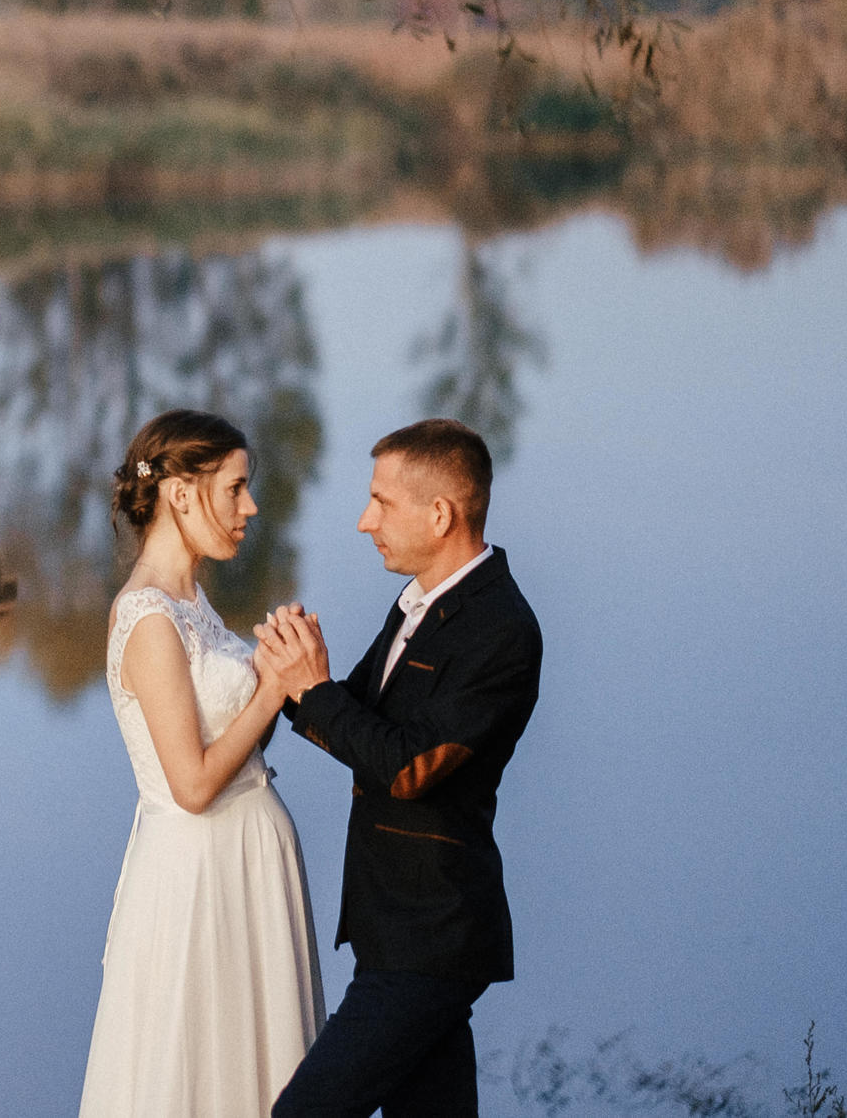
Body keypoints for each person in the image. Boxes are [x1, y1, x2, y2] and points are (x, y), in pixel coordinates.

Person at [256, 417, 544, 1118]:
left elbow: (410, 766)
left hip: (433, 935)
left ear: (440, 513)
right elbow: (357, 718)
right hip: (394, 926)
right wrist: (278, 678)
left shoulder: (501, 629)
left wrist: (314, 688)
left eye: (382, 502)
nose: (363, 520)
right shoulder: (420, 600)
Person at [77, 409, 326, 1118]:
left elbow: (235, 743)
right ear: (181, 492)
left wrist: (284, 668)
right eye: (235, 488)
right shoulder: (150, 619)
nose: (249, 507)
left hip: (246, 859)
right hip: (199, 871)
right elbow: (190, 784)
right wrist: (272, 687)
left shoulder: (192, 599)